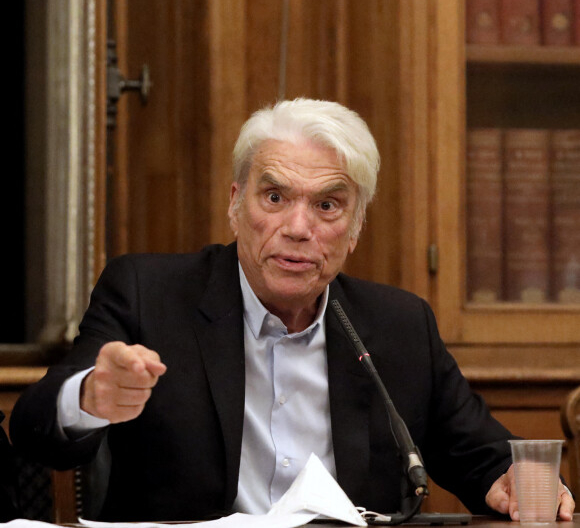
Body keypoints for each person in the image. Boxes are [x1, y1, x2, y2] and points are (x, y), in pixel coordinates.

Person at [10, 98, 574, 522]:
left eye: (327, 205)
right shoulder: (148, 294)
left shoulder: (398, 325)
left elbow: (482, 454)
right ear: (236, 203)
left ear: (354, 229)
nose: (298, 229)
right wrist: (89, 397)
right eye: (275, 197)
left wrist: (512, 480)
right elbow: (35, 430)